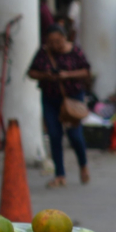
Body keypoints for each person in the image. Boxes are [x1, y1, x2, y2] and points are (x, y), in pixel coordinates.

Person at [28, 26, 91, 187]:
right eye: (51, 42)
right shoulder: (43, 53)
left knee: (75, 134)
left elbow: (86, 71)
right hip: (50, 98)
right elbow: (31, 72)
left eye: (58, 41)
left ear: (64, 38)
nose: (55, 45)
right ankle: (60, 174)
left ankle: (83, 164)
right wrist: (46, 75)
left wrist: (67, 75)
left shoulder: (75, 51)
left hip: (73, 98)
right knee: (54, 136)